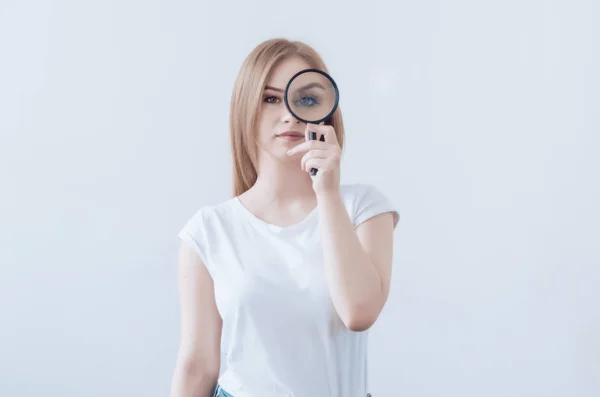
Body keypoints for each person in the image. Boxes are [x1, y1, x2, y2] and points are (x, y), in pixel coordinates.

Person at [169, 38, 400, 397]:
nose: (290, 113)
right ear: (246, 106)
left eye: (306, 99)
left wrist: (327, 192)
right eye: (271, 98)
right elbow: (197, 365)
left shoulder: (363, 208)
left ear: (325, 110)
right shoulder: (209, 230)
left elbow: (359, 312)